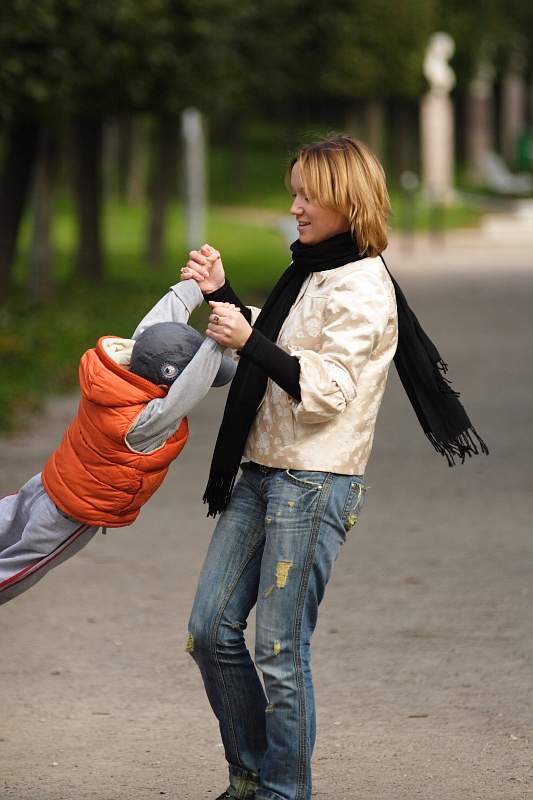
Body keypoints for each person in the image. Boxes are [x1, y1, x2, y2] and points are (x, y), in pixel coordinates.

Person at [181, 135, 487, 800]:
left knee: (281, 654)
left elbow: (326, 392)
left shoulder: (364, 287)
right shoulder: (313, 272)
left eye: (304, 194)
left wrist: (248, 338)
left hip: (312, 483)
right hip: (262, 470)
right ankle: (252, 772)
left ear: (344, 202)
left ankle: (280, 791)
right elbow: (284, 341)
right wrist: (222, 293)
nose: (293, 206)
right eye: (292, 191)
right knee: (209, 629)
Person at [0, 279, 236, 605]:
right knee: (16, 570)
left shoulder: (120, 374)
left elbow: (152, 331)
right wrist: (216, 342)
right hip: (73, 512)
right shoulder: (144, 423)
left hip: (46, 483)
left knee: (6, 520)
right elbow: (187, 390)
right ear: (170, 378)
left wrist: (192, 287)